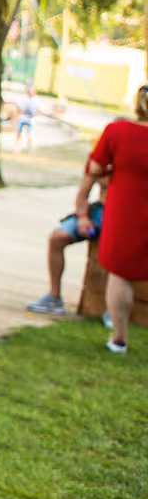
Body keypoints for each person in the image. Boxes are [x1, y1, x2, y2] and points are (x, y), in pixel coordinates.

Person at [88, 85, 148, 354]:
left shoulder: (118, 131)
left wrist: (116, 168)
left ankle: (119, 339)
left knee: (121, 274)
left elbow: (95, 167)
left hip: (126, 211)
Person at [25, 164, 109, 315]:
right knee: (57, 238)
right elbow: (83, 193)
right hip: (100, 211)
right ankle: (54, 296)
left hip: (128, 216)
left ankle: (113, 310)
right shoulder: (101, 158)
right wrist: (82, 218)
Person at [15, 84, 40, 151]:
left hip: (30, 119)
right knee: (18, 132)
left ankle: (29, 148)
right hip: (22, 118)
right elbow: (17, 106)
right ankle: (17, 146)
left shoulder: (36, 100)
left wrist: (35, 114)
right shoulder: (23, 98)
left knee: (29, 134)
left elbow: (39, 110)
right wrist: (19, 111)